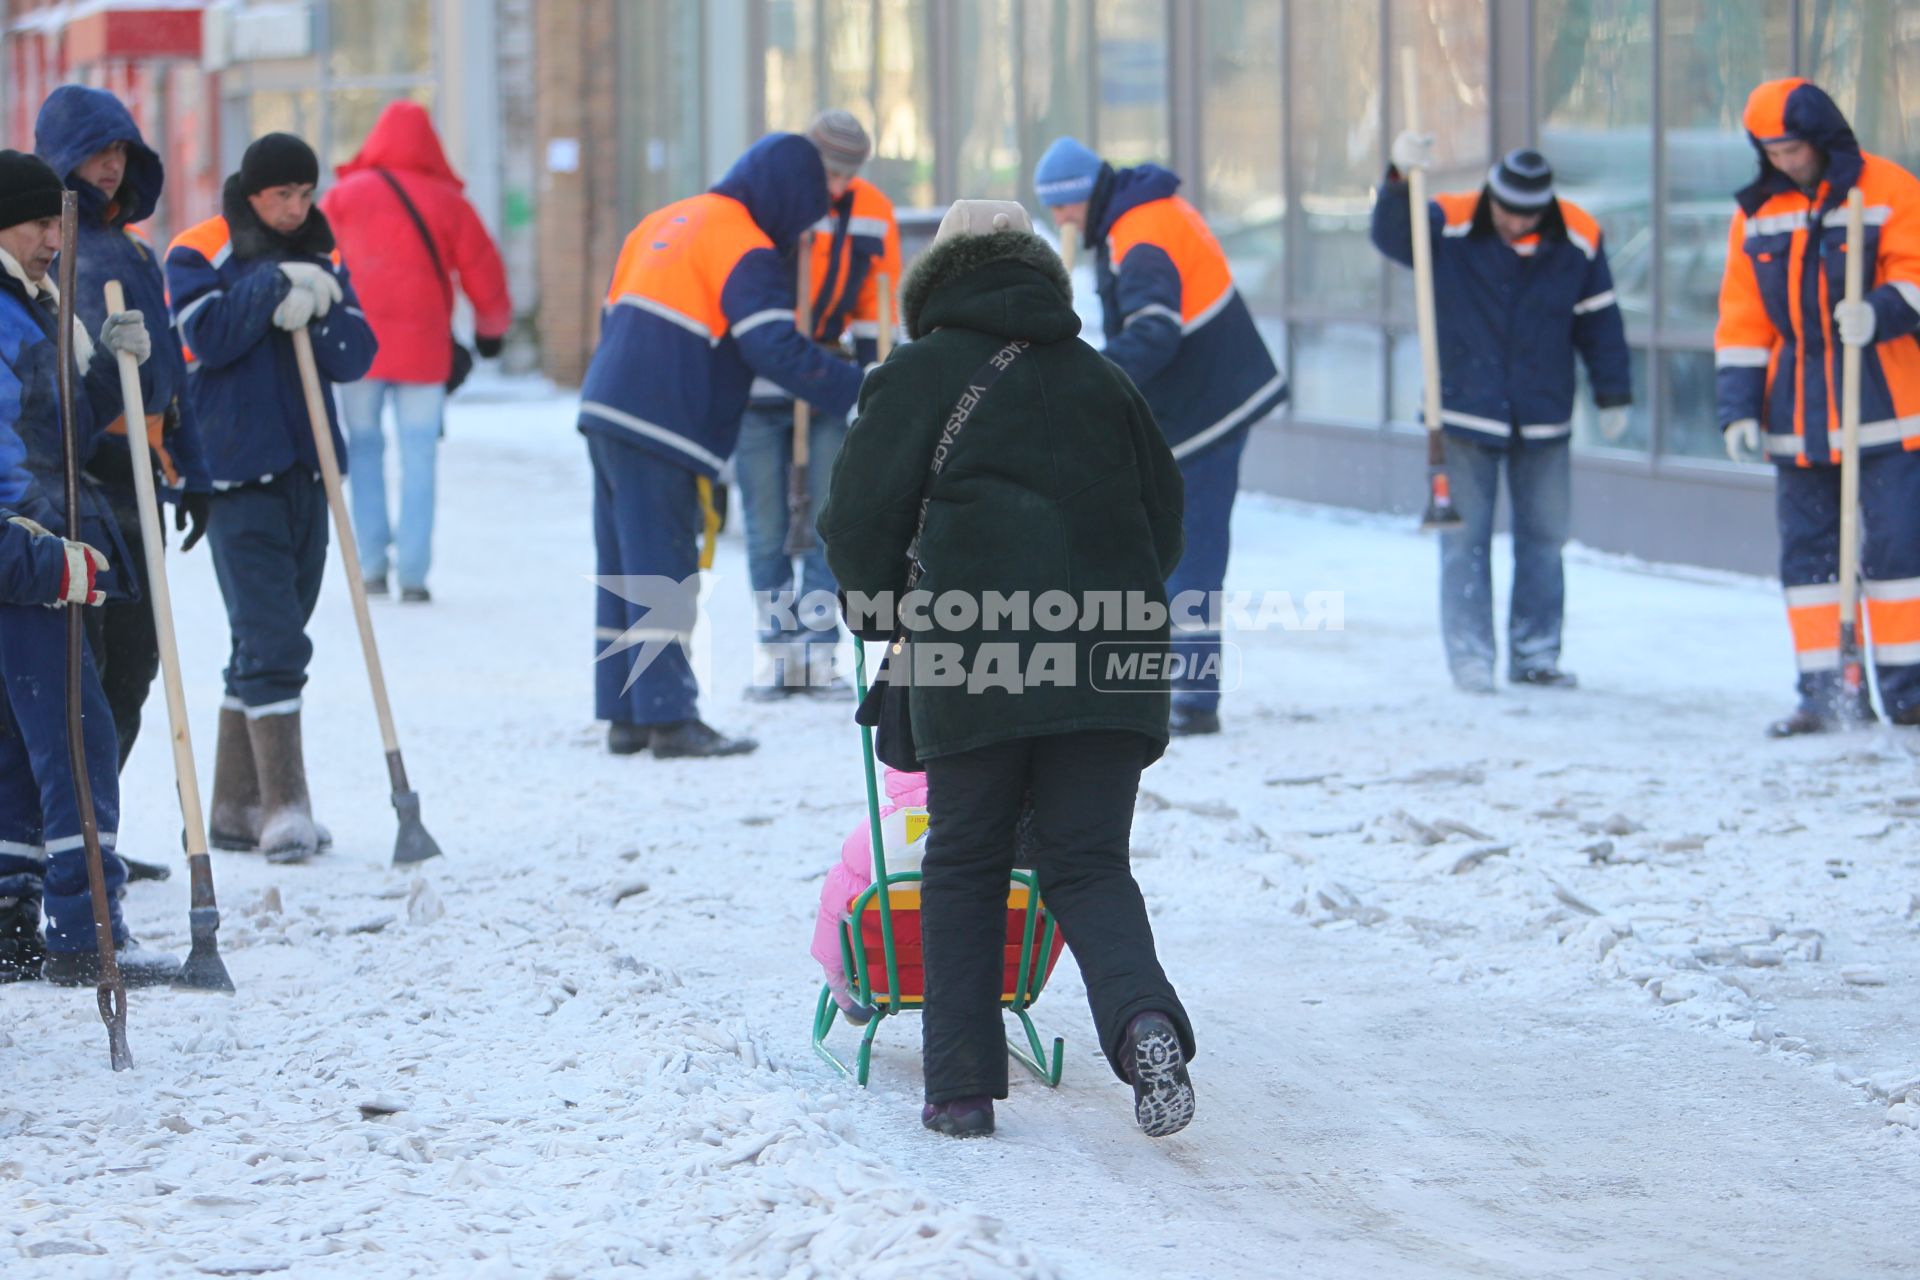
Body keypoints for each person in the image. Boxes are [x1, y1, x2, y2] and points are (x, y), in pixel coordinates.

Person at [819, 199, 1196, 1141]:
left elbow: (858, 524)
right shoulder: (1103, 380)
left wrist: (884, 615)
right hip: (1112, 655)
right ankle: (1147, 1023)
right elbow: (1169, 523)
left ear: (937, 282)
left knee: (966, 860)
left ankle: (958, 1091)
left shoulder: (913, 376)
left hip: (971, 645)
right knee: (1090, 865)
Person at [579, 133, 862, 758]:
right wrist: (858, 389)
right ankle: (671, 719)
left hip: (605, 405)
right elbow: (772, 347)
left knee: (624, 563)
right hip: (663, 419)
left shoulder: (664, 220)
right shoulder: (744, 243)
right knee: (661, 563)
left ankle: (626, 715)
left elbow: (612, 316)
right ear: (787, 195)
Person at [166, 133, 378, 862]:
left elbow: (357, 354)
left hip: (307, 473)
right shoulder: (200, 249)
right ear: (251, 192)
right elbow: (209, 338)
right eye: (280, 195)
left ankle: (232, 805)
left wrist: (318, 308)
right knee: (277, 641)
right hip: (235, 474)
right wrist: (270, 287)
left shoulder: (325, 252)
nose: (295, 208)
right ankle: (286, 805)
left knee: (261, 641)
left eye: (305, 194)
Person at [1032, 138, 1287, 736]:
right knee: (1177, 550)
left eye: (1061, 210)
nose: (1061, 224)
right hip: (1203, 402)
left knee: (1190, 552)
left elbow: (1153, 333)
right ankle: (1180, 686)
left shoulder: (1139, 233)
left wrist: (1086, 375)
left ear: (1078, 198)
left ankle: (1195, 698)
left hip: (1205, 412)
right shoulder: (1144, 214)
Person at [0, 148, 178, 985]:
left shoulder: (31, 308)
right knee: (79, 735)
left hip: (38, 541)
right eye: (37, 222)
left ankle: (9, 921)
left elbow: (61, 431)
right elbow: (10, 455)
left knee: (21, 739)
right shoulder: (3, 315)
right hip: (27, 549)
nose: (50, 239)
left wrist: (108, 369)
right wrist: (37, 548)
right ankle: (86, 929)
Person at [1372, 144, 1632, 694]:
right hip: (1464, 411)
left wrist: (1613, 394)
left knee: (1544, 540)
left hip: (1543, 415)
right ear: (1493, 197)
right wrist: (1398, 179)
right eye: (1508, 211)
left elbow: (1599, 320)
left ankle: (1535, 654)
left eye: (1529, 215)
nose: (1516, 223)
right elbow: (1392, 235)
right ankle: (1471, 659)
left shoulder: (1578, 236)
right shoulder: (1452, 221)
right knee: (1464, 543)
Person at [1715, 79, 1920, 736]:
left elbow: (1916, 273)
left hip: (1888, 412)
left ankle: (1908, 691)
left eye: (1794, 148)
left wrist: (1882, 312)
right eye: (1771, 151)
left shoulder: (1889, 190)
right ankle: (1828, 691)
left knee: (1897, 556)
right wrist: (1739, 409)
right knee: (1808, 560)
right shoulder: (1756, 213)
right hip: (1798, 418)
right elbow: (1743, 318)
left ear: (1822, 138)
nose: (1784, 161)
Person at [34, 86, 212, 786]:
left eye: (120, 151)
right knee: (87, 672)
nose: (110, 166)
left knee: (136, 666)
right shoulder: (52, 252)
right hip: (79, 491)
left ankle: (96, 832)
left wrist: (191, 469)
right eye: (96, 150)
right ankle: (68, 837)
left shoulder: (136, 253)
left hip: (141, 483)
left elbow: (169, 371)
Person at [737, 110, 901, 700]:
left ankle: (817, 653)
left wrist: (869, 379)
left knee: (833, 522)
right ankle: (781, 656)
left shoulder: (873, 212)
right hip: (760, 382)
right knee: (767, 528)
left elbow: (874, 303)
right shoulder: (769, 199)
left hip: (831, 375)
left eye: (844, 177)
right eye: (827, 174)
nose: (833, 188)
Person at [322, 100, 513, 604]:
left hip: (357, 347)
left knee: (363, 448)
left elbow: (318, 261)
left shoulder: (343, 198)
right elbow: (484, 269)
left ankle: (370, 564)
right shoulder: (447, 201)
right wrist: (492, 330)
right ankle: (413, 572)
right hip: (424, 351)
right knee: (419, 452)